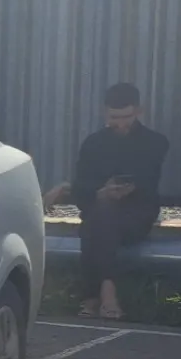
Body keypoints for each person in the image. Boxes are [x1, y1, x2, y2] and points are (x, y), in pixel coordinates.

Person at [44, 82, 168, 319]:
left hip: (136, 213)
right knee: (102, 213)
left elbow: (147, 182)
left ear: (138, 111)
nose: (120, 123)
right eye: (114, 117)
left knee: (96, 221)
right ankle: (107, 293)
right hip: (100, 211)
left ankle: (93, 298)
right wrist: (99, 192)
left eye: (126, 117)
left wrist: (105, 190)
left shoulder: (155, 142)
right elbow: (84, 188)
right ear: (105, 113)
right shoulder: (94, 143)